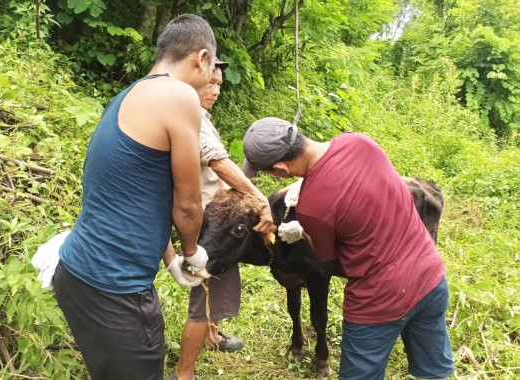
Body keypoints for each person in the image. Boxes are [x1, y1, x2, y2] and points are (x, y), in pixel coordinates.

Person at [53, 14, 217, 380]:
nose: (209, 83)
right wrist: (192, 251)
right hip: (114, 288)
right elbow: (188, 204)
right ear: (201, 58)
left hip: (77, 275)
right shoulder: (179, 96)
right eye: (211, 72)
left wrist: (170, 259)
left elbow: (136, 195)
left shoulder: (131, 94)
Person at [242, 117, 455, 380]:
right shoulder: (358, 140)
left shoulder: (310, 207)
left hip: (380, 299)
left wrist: (304, 232)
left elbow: (328, 259)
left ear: (280, 169)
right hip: (431, 276)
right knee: (434, 373)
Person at [168, 60, 275, 380]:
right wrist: (259, 200)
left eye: (219, 85)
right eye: (209, 83)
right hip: (208, 223)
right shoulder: (191, 117)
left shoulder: (200, 116)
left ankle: (212, 336)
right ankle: (184, 373)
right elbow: (218, 163)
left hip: (218, 216)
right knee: (203, 296)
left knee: (220, 281)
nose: (214, 90)